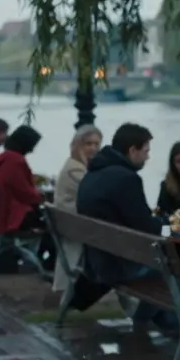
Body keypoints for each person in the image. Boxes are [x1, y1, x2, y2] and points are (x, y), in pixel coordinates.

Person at [75, 123, 174, 329]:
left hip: (95, 261)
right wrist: (168, 224)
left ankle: (150, 321)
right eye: (146, 151)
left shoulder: (93, 173)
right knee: (179, 266)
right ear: (132, 150)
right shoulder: (126, 179)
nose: (147, 157)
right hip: (117, 267)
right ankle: (166, 323)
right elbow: (147, 227)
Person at [0, 126, 56, 271]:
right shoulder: (16, 162)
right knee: (54, 224)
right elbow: (25, 194)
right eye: (32, 145)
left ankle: (37, 259)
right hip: (12, 217)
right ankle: (44, 262)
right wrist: (44, 196)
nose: (32, 150)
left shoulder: (3, 158)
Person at [52, 125, 103, 292]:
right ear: (77, 145)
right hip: (77, 228)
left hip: (71, 225)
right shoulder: (76, 169)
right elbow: (96, 194)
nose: (93, 148)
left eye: (96, 144)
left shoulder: (75, 165)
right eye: (88, 144)